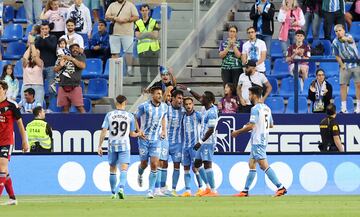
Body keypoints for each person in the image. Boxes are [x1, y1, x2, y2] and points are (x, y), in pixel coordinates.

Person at [231, 85, 287, 197]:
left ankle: (280, 187)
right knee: (251, 164)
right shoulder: (267, 108)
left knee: (263, 165)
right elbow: (271, 125)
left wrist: (237, 132)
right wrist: (256, 125)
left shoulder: (255, 109)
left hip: (258, 141)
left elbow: (252, 126)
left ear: (255, 95)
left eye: (250, 94)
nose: (249, 96)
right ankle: (245, 191)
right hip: (263, 139)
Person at [98, 95, 142, 199]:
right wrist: (139, 133)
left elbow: (104, 131)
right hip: (124, 145)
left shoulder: (109, 115)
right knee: (124, 169)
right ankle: (121, 188)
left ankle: (113, 193)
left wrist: (99, 146)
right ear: (125, 103)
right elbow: (132, 134)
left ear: (116, 102)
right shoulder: (130, 116)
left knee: (112, 169)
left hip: (112, 145)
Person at [178, 85, 219, 196]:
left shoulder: (212, 112)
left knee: (207, 164)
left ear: (209, 100)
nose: (201, 99)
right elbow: (197, 97)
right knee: (197, 163)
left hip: (208, 141)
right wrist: (188, 89)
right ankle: (207, 187)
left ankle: (213, 190)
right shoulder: (205, 108)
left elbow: (211, 130)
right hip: (203, 142)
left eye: (203, 97)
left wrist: (200, 142)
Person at [0, 80, 29, 206]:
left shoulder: (12, 105)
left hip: (6, 141)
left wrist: (24, 141)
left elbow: (20, 124)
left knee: (1, 168)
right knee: (4, 171)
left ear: (4, 90)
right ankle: (12, 198)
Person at [136, 86, 168, 198]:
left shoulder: (164, 107)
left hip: (156, 140)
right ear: (152, 95)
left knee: (154, 164)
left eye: (161, 93)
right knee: (144, 164)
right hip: (144, 139)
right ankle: (140, 174)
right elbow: (135, 117)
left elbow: (163, 117)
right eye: (158, 94)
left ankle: (150, 191)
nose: (160, 96)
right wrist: (139, 130)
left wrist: (163, 130)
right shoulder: (144, 106)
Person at [156, 89, 184, 197]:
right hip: (165, 140)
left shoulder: (183, 110)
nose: (180, 100)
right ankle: (162, 188)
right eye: (179, 98)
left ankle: (173, 189)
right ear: (172, 98)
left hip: (177, 142)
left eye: (181, 98)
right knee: (163, 163)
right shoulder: (166, 109)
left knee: (177, 165)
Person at [181, 97, 208, 197]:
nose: (188, 106)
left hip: (195, 146)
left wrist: (201, 141)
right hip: (185, 147)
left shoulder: (198, 115)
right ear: (184, 106)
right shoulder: (183, 116)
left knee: (197, 167)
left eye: (190, 104)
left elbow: (206, 126)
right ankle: (188, 190)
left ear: (193, 105)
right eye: (186, 104)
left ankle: (202, 188)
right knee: (186, 168)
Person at [105, 0, 139, 75]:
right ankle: (115, 71)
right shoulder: (112, 5)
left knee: (129, 52)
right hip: (114, 33)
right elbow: (106, 16)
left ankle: (129, 70)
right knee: (114, 53)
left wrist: (127, 20)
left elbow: (136, 17)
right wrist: (115, 18)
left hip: (127, 33)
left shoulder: (130, 5)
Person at [332, 24, 360, 113]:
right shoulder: (335, 42)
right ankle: (343, 108)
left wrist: (346, 39)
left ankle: (358, 108)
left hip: (356, 64)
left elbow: (351, 41)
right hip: (345, 65)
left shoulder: (349, 36)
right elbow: (336, 55)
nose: (338, 33)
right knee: (343, 86)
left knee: (358, 85)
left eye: (340, 30)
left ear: (344, 31)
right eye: (336, 31)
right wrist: (341, 64)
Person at [53, 43, 86, 113]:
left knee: (80, 107)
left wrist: (72, 59)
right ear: (70, 50)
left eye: (77, 48)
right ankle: (65, 123)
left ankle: (86, 122)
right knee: (65, 108)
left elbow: (82, 66)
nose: (75, 50)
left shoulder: (81, 57)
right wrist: (61, 65)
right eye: (73, 48)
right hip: (63, 86)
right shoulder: (64, 57)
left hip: (75, 86)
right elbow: (55, 70)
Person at [135, 4, 160, 88]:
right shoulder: (138, 22)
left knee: (154, 71)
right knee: (143, 71)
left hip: (153, 50)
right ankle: (144, 89)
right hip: (143, 51)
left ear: (149, 11)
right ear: (140, 11)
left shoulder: (154, 21)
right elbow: (137, 36)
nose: (145, 12)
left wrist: (144, 34)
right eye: (143, 10)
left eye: (146, 10)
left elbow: (156, 35)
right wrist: (149, 33)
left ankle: (154, 88)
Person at [35, 22, 58, 103]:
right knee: (39, 88)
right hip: (39, 66)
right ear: (40, 29)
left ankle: (52, 105)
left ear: (49, 29)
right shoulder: (38, 38)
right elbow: (36, 46)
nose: (44, 30)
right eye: (42, 29)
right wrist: (41, 38)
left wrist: (45, 38)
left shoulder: (53, 37)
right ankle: (40, 105)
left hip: (51, 66)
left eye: (46, 29)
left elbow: (52, 47)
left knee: (51, 89)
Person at [22, 37, 45, 106]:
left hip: (38, 87)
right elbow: (24, 58)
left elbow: (35, 57)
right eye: (34, 52)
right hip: (26, 86)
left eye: (38, 53)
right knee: (25, 106)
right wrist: (30, 46)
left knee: (37, 107)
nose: (36, 54)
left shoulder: (40, 62)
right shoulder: (26, 64)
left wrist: (32, 43)